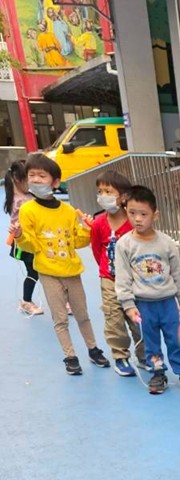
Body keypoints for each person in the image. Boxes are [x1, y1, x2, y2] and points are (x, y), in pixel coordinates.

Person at [13, 152, 109, 375]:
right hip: (48, 273)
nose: (36, 180)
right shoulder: (28, 210)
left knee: (82, 314)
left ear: (55, 182)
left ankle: (93, 349)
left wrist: (88, 228)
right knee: (60, 318)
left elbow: (77, 241)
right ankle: (70, 356)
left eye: (42, 176)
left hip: (72, 271)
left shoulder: (68, 210)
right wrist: (19, 236)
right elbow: (31, 245)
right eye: (32, 175)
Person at [114, 185, 180, 395]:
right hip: (144, 305)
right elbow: (122, 277)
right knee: (151, 343)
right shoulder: (124, 245)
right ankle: (158, 373)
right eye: (132, 213)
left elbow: (177, 273)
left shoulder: (166, 243)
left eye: (143, 214)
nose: (137, 219)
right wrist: (128, 305)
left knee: (175, 339)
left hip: (168, 303)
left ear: (155, 215)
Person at [89, 169, 146, 376]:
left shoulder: (133, 222)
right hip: (109, 279)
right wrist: (107, 270)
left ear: (123, 197)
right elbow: (97, 250)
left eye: (108, 191)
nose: (103, 196)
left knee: (139, 318)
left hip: (135, 280)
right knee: (114, 319)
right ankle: (120, 356)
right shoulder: (98, 223)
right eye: (100, 191)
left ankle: (144, 355)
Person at [3, 160, 44, 316]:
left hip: (38, 238)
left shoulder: (29, 195)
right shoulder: (17, 200)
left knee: (50, 270)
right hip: (24, 241)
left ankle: (63, 301)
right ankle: (26, 302)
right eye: (28, 179)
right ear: (17, 179)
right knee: (33, 272)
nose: (31, 182)